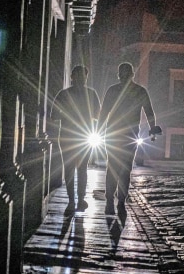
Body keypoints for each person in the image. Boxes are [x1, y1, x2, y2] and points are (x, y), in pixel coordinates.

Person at [98, 62, 158, 214]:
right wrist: (152, 129)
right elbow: (149, 112)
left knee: (113, 167)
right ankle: (120, 201)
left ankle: (111, 201)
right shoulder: (140, 91)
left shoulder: (112, 90)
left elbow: (104, 113)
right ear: (133, 74)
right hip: (129, 135)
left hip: (113, 134)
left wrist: (98, 130)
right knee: (125, 168)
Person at [50, 65, 102, 214]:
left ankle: (71, 201)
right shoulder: (92, 94)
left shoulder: (63, 94)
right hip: (84, 135)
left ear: (72, 77)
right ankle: (80, 200)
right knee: (82, 169)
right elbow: (98, 115)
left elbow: (53, 116)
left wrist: (67, 114)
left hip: (67, 136)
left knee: (69, 170)